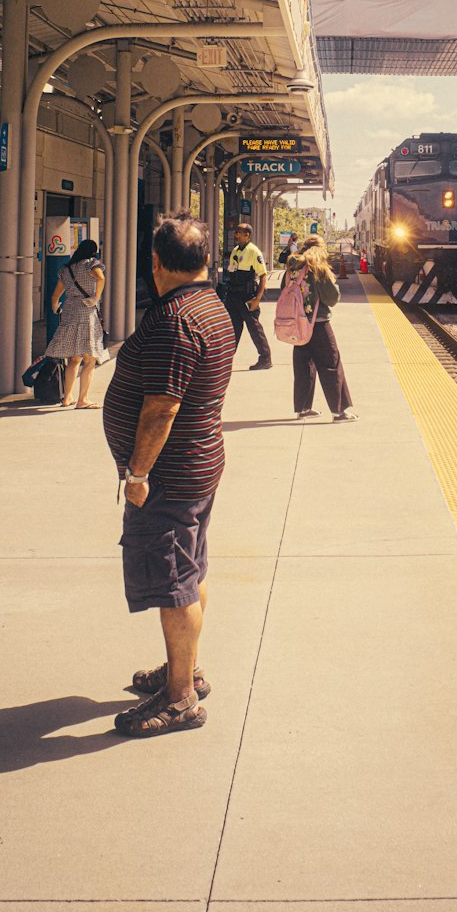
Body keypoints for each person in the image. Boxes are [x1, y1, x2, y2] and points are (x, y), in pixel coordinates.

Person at [103, 212, 235, 737]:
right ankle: (186, 668)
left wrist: (137, 474)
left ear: (155, 263)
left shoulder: (176, 319)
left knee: (175, 582)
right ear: (204, 260)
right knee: (191, 570)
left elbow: (161, 407)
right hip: (198, 464)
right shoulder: (210, 306)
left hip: (170, 475)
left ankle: (180, 697)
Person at [287, 235, 357, 422]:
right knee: (331, 365)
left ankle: (303, 408)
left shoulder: (293, 266)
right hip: (318, 324)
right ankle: (339, 411)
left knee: (303, 365)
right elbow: (331, 299)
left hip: (298, 324)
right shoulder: (319, 268)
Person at [45, 238, 106, 409]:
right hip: (86, 312)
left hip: (70, 311)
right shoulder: (90, 264)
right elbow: (100, 278)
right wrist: (96, 298)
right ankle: (83, 399)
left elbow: (55, 296)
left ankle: (67, 397)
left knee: (74, 359)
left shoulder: (67, 269)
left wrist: (55, 307)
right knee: (90, 359)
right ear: (93, 252)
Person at [223, 223, 272, 370]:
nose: (235, 234)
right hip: (233, 296)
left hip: (247, 296)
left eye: (239, 232)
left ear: (247, 235)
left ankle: (265, 358)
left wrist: (257, 299)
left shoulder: (253, 251)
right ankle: (226, 360)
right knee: (232, 328)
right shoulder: (236, 251)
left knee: (254, 328)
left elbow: (263, 276)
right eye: (236, 231)